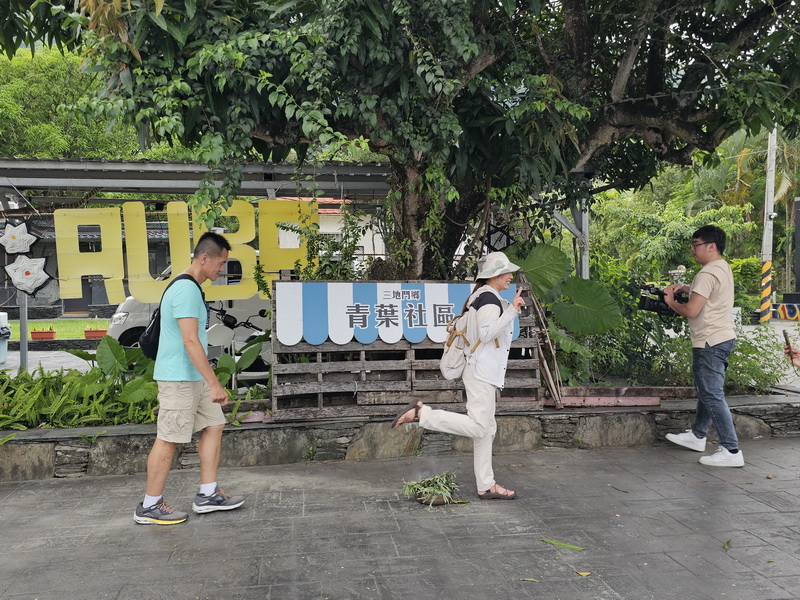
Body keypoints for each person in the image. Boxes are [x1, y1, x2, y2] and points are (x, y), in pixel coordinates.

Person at [392, 251, 526, 499]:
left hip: (481, 371)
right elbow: (486, 334)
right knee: (479, 428)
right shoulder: (487, 299)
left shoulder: (484, 297)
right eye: (507, 271)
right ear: (494, 274)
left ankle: (486, 485)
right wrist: (512, 312)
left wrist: (509, 307)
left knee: (487, 429)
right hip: (481, 372)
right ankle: (423, 414)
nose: (511, 275)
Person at [134, 231, 245, 525]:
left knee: (214, 424)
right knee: (169, 439)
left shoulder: (193, 288)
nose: (222, 271)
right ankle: (149, 505)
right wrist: (215, 383)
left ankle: (208, 494)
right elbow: (190, 342)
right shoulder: (184, 291)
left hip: (191, 376)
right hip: (177, 378)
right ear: (204, 258)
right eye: (220, 264)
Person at [662, 225, 744, 467]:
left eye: (696, 245)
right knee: (707, 391)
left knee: (711, 394)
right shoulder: (722, 267)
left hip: (709, 341)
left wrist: (670, 301)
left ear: (711, 246)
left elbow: (691, 310)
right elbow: (709, 296)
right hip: (722, 337)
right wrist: (687, 288)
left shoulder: (707, 273)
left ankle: (731, 450)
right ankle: (698, 435)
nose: (693, 250)